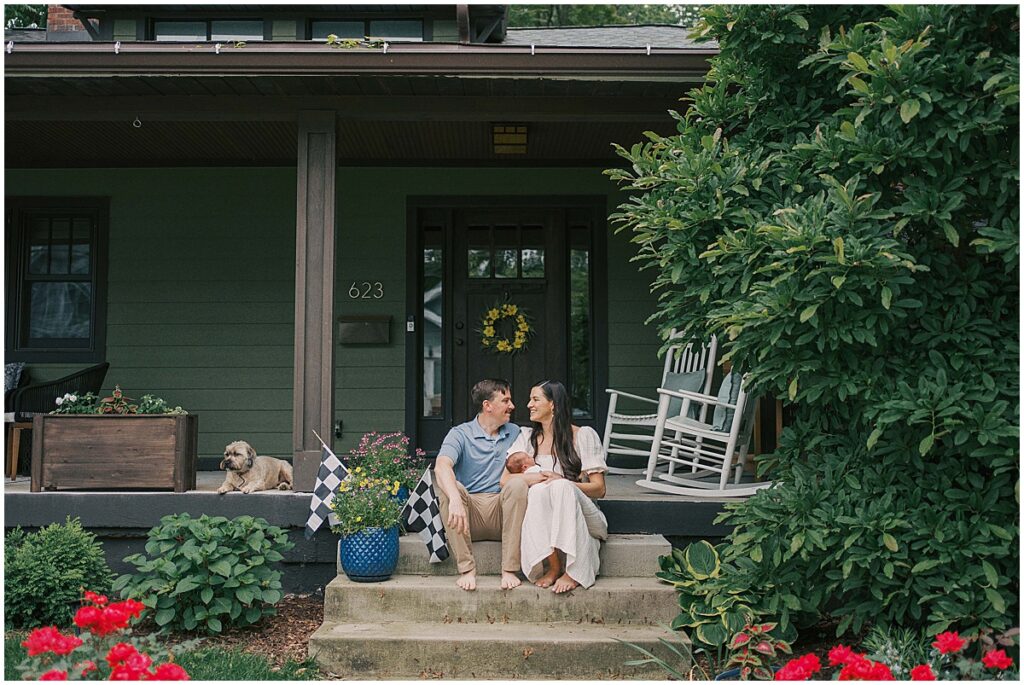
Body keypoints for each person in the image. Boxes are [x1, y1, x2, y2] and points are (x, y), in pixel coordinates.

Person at [502, 380, 608, 594]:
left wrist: (563, 481)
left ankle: (573, 570)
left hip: (586, 515)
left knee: (560, 487)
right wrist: (539, 478)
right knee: (539, 490)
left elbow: (599, 489)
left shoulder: (583, 435)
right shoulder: (527, 438)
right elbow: (505, 480)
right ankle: (554, 566)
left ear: (553, 404)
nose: (529, 405)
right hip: (545, 512)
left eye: (535, 399)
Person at [434, 378, 528, 592]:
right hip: (468, 517)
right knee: (450, 488)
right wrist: (455, 499)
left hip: (503, 513)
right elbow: (441, 466)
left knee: (518, 484)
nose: (512, 406)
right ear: (488, 405)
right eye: (506, 401)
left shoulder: (515, 432)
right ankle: (467, 569)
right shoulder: (460, 433)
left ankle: (509, 569)